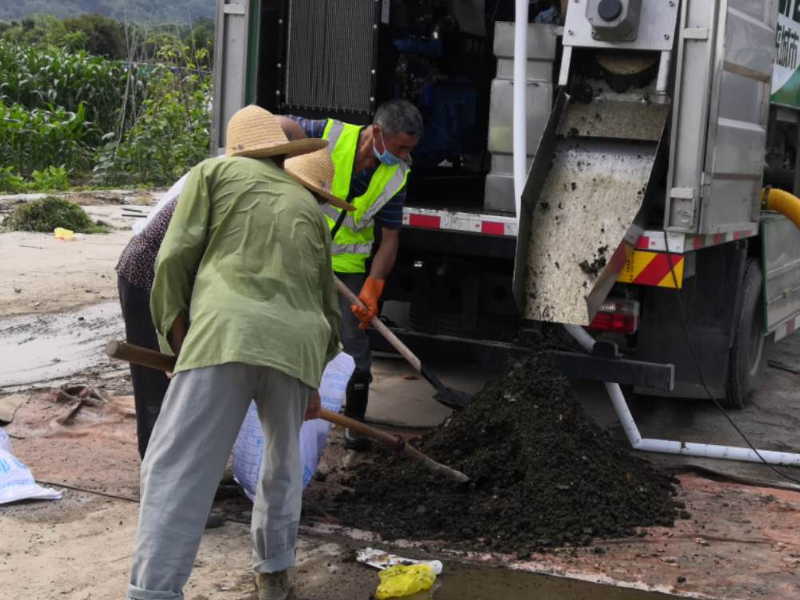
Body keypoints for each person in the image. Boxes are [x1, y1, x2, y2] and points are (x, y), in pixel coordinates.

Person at [127, 105, 353, 600]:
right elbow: (326, 311)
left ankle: (153, 592)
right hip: (296, 349)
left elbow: (174, 261)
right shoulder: (307, 210)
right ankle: (274, 575)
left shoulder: (213, 173)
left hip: (224, 334)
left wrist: (178, 344)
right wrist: (310, 381)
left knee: (177, 468)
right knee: (281, 466)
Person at [279, 99, 423, 449]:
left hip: (349, 271)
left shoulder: (397, 174)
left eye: (410, 149)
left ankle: (356, 426)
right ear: (376, 132)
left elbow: (389, 238)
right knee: (291, 332)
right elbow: (278, 123)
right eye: (400, 147)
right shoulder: (328, 134)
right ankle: (282, 413)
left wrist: (374, 287)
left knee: (355, 345)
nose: (404, 156)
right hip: (300, 257)